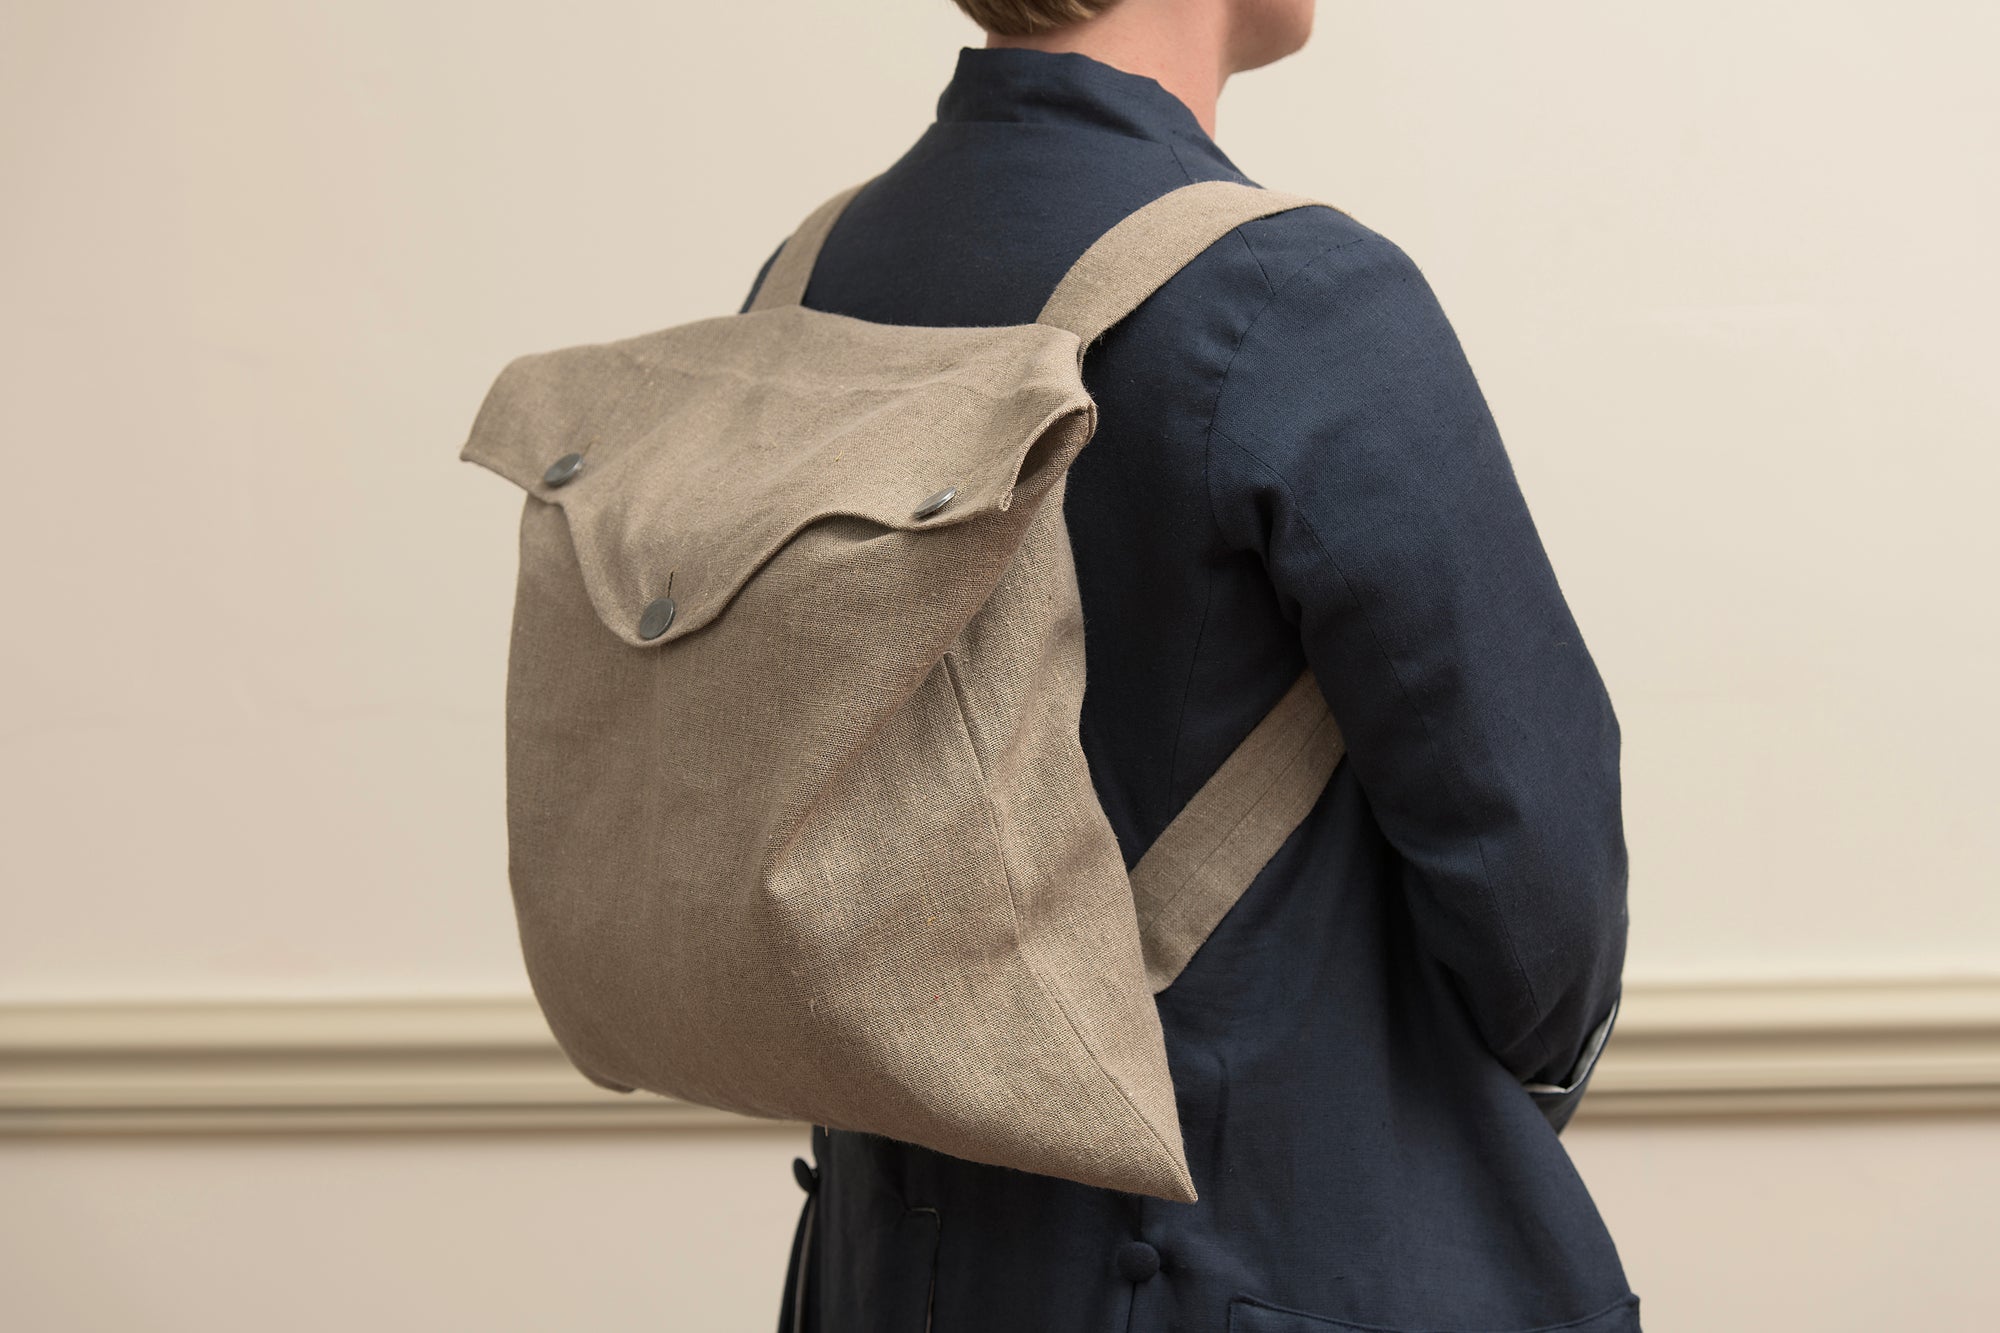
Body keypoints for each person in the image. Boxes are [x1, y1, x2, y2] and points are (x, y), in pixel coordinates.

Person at [747, 2, 1637, 1329]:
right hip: (1253, 1265)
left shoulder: (804, 281)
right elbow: (1541, 906)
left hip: (885, 1278)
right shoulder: (1295, 298)